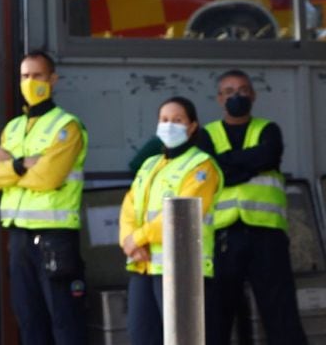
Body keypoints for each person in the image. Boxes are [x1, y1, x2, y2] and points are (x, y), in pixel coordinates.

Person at [0, 50, 88, 345]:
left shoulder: (66, 126)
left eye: (37, 75)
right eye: (24, 76)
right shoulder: (13, 128)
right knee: (29, 320)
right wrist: (20, 164)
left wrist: (9, 168)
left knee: (64, 321)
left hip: (55, 237)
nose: (30, 82)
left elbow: (48, 178)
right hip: (19, 237)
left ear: (52, 80)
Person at [201, 69, 307, 344]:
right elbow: (212, 169)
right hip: (223, 237)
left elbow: (268, 155)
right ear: (219, 98)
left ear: (254, 95)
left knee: (280, 312)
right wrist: (249, 163)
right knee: (216, 315)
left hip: (266, 234)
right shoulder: (206, 135)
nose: (237, 96)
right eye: (229, 92)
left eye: (243, 90)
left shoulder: (268, 129)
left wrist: (228, 166)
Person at [119, 96, 222, 345]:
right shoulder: (150, 164)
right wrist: (128, 240)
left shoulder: (201, 166)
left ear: (192, 126)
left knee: (182, 339)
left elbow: (181, 215)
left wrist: (139, 238)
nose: (169, 125)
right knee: (141, 336)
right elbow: (130, 205)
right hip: (144, 265)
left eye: (178, 120)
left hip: (181, 268)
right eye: (164, 119)